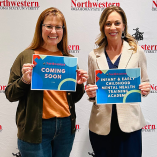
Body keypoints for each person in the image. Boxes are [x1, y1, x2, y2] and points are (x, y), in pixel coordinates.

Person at [5, 7, 88, 157]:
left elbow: (73, 98)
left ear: (63, 30)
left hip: (65, 128)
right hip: (35, 128)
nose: (53, 31)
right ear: (40, 28)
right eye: (49, 26)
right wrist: (24, 80)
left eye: (58, 27)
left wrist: (79, 84)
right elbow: (10, 94)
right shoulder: (26, 56)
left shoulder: (68, 60)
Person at [85, 5, 150, 157]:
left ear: (124, 26)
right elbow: (90, 88)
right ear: (103, 27)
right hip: (101, 126)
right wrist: (90, 92)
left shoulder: (137, 52)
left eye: (117, 23)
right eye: (108, 23)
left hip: (130, 125)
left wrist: (145, 89)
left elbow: (145, 82)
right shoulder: (93, 56)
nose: (112, 27)